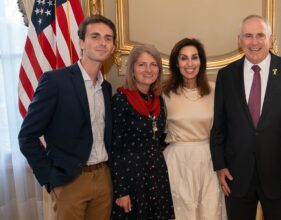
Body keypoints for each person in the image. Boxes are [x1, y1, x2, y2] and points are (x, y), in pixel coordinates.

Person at [210, 15, 281, 220]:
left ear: (271, 39)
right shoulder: (226, 75)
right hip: (236, 175)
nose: (254, 42)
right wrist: (220, 166)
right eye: (248, 36)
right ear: (239, 40)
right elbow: (219, 125)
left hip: (280, 175)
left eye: (260, 35)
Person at [18, 15, 116, 219]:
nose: (102, 43)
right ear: (81, 43)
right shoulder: (56, 81)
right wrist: (51, 180)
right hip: (71, 181)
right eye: (95, 36)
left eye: (108, 38)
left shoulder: (106, 88)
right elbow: (27, 136)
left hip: (103, 179)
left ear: (113, 47)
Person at [163, 38, 226, 220]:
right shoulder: (164, 93)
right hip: (176, 163)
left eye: (194, 58)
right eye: (183, 58)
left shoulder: (215, 91)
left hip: (208, 162)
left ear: (201, 62)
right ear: (176, 63)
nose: (189, 63)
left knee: (209, 212)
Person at [110, 44, 175, 220]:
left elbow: (159, 138)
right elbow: (114, 150)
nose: (148, 70)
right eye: (142, 64)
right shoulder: (120, 100)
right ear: (132, 70)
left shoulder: (158, 100)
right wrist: (121, 190)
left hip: (157, 175)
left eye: (153, 64)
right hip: (132, 178)